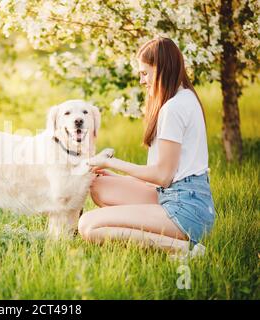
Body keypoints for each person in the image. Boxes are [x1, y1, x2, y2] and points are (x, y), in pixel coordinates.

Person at [78, 37, 215, 258]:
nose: (142, 81)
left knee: (88, 226)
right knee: (101, 185)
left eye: (144, 73)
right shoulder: (184, 97)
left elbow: (162, 176)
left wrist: (111, 162)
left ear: (161, 69)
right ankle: (145, 229)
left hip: (185, 209)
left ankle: (185, 249)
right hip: (177, 195)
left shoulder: (174, 108)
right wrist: (117, 176)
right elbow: (170, 175)